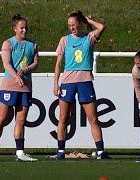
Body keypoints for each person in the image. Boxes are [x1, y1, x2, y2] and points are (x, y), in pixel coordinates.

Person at [53, 10, 110, 160]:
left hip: (85, 82)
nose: (71, 27)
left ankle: (101, 152)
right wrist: (56, 83)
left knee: (93, 118)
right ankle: (60, 151)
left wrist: (88, 21)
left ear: (80, 24)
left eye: (74, 24)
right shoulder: (64, 40)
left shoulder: (89, 38)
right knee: (63, 118)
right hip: (68, 82)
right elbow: (58, 64)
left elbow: (101, 27)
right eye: (69, 25)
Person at [0, 14, 39, 162]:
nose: (24, 30)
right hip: (9, 86)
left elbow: (36, 63)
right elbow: (7, 64)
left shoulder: (32, 44)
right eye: (21, 28)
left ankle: (20, 152)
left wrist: (27, 69)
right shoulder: (8, 43)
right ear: (15, 28)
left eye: (26, 27)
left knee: (20, 121)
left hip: (26, 87)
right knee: (2, 118)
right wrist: (16, 76)